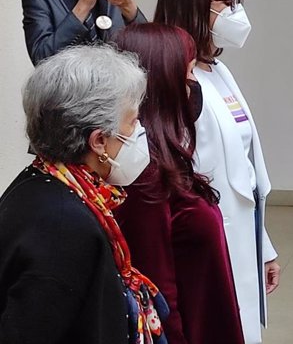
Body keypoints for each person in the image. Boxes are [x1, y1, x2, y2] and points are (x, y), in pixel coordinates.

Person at [0, 45, 168, 344]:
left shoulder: (42, 181)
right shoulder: (64, 227)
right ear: (100, 141)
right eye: (133, 122)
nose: (140, 131)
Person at [154, 0, 279, 344]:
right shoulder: (175, 79)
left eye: (239, 0)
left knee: (241, 324)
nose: (238, 13)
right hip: (207, 234)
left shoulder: (216, 70)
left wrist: (265, 246)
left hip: (240, 228)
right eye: (228, 3)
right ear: (194, 4)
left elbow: (244, 168)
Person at [114, 23, 244, 344]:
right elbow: (159, 294)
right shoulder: (145, 176)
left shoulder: (168, 158)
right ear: (163, 82)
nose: (194, 84)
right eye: (188, 73)